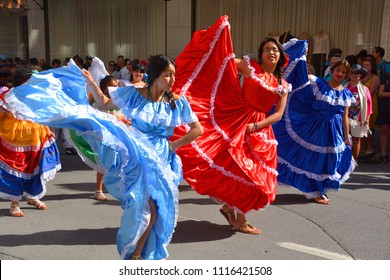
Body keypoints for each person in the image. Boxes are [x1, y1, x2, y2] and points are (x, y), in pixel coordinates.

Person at [4, 56, 203, 260]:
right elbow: (105, 103)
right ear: (154, 76)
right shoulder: (135, 94)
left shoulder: (176, 102)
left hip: (161, 159)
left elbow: (197, 129)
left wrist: (173, 145)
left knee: (158, 210)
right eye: (167, 75)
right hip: (136, 156)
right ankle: (134, 254)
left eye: (173, 75)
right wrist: (91, 83)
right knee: (144, 207)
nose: (172, 80)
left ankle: (139, 254)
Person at [172, 16, 291, 235]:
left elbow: (279, 114)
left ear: (281, 56)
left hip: (260, 129)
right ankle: (241, 218)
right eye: (266, 49)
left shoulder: (282, 85)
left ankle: (229, 208)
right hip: (236, 120)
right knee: (240, 169)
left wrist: (256, 126)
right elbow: (223, 61)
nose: (270, 52)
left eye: (274, 49)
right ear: (261, 54)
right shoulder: (250, 67)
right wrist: (220, 37)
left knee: (257, 177)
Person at [273, 55, 355, 205]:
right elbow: (300, 89)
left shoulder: (347, 94)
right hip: (315, 128)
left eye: (344, 72)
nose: (340, 74)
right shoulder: (319, 84)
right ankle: (315, 191)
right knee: (314, 160)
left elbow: (345, 117)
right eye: (338, 70)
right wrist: (302, 58)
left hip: (334, 130)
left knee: (330, 160)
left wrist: (346, 135)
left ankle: (319, 189)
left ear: (346, 75)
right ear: (332, 70)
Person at [0, 68, 61, 217]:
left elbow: (40, 114)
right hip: (15, 138)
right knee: (18, 168)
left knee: (35, 167)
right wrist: (8, 112)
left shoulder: (36, 95)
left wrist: (47, 130)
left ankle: (32, 196)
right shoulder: (8, 95)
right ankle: (14, 203)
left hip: (36, 136)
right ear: (23, 81)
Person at [345, 64, 372, 164]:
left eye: (356, 73)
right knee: (345, 138)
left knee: (356, 140)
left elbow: (369, 105)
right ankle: (345, 160)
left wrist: (367, 119)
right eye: (352, 73)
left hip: (358, 117)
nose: (354, 75)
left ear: (360, 75)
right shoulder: (344, 87)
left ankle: (354, 161)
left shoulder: (365, 90)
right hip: (345, 117)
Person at [360, 56, 381, 156]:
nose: (365, 67)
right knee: (360, 125)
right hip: (360, 104)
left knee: (369, 127)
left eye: (367, 65)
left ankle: (370, 147)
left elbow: (371, 92)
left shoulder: (375, 78)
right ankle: (362, 147)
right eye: (363, 65)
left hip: (370, 104)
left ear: (372, 67)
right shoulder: (360, 77)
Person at [377, 71, 390, 163]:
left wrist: (386, 94)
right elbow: (380, 93)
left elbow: (383, 93)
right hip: (385, 107)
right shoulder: (386, 77)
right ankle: (383, 155)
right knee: (383, 130)